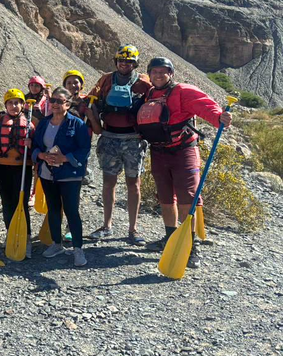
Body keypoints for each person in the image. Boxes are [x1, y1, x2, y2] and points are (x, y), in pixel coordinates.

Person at [137, 57, 232, 268]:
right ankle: (170, 238)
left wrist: (219, 118)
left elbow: (206, 106)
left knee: (187, 198)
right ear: (150, 74)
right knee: (165, 198)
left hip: (183, 152)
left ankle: (191, 246)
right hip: (159, 151)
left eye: (163, 71)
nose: (159, 75)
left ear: (171, 73)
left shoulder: (183, 91)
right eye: (155, 72)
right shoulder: (149, 94)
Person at [87, 45, 152, 246]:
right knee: (109, 183)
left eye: (129, 62)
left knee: (134, 185)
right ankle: (107, 225)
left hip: (133, 139)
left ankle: (133, 229)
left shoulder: (143, 83)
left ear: (135, 64)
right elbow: (91, 102)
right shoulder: (106, 80)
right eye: (121, 61)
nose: (124, 64)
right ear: (116, 62)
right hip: (109, 137)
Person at [31, 88, 91, 267]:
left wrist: (64, 158)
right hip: (47, 173)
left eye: (59, 101)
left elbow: (84, 149)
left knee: (72, 210)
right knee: (53, 208)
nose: (55, 104)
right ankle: (56, 243)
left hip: (69, 175)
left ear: (68, 104)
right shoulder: (44, 123)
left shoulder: (77, 124)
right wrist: (40, 156)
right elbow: (36, 145)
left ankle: (78, 249)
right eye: (53, 100)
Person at [0, 89, 34, 258]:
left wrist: (31, 142)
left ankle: (26, 237)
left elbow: (36, 150)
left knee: (21, 203)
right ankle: (10, 233)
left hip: (22, 168)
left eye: (18, 103)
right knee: (7, 203)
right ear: (6, 105)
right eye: (11, 103)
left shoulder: (29, 124)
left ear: (23, 105)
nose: (15, 106)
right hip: (1, 167)